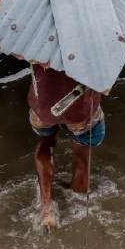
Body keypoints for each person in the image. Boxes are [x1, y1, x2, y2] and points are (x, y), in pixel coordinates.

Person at [28, 63, 106, 229]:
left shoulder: (38, 41)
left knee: (45, 145)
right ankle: (77, 206)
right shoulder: (97, 43)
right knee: (82, 160)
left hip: (42, 110)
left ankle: (46, 209)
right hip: (80, 114)